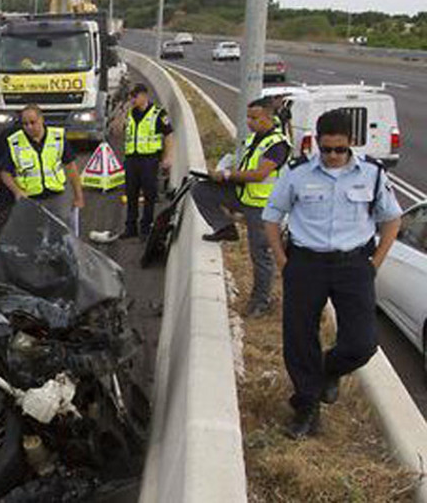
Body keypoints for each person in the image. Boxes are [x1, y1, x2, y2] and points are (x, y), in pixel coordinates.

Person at [262, 109, 402, 439]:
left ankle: (328, 370)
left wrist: (374, 264)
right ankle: (306, 408)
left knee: (362, 342)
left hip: (354, 265)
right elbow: (271, 217)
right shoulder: (297, 173)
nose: (333, 157)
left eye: (339, 149)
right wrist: (283, 262)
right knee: (298, 339)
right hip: (305, 264)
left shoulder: (372, 174)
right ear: (317, 144)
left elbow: (392, 220)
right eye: (326, 150)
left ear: (351, 144)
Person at [192, 96, 291, 316]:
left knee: (260, 255)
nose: (249, 122)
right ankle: (225, 228)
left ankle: (260, 302)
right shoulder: (254, 139)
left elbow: (259, 174)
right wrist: (222, 175)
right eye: (247, 117)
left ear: (268, 117)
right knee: (200, 190)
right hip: (243, 195)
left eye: (254, 118)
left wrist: (227, 175)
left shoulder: (277, 145)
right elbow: (245, 168)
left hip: (262, 208)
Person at [0, 105, 85, 228]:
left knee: (59, 234)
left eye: (33, 122)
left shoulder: (57, 138)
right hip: (30, 200)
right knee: (32, 236)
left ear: (41, 119)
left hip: (56, 197)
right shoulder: (15, 142)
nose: (29, 127)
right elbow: (5, 173)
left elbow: (71, 168)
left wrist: (78, 197)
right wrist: (18, 192)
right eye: (25, 124)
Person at [122, 84, 173, 238]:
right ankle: (131, 228)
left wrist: (167, 157)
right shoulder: (130, 113)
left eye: (134, 97)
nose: (132, 101)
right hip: (131, 159)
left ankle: (146, 228)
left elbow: (168, 135)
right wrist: (121, 114)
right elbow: (117, 131)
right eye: (131, 97)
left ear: (144, 96)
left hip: (149, 160)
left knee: (149, 195)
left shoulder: (158, 113)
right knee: (131, 194)